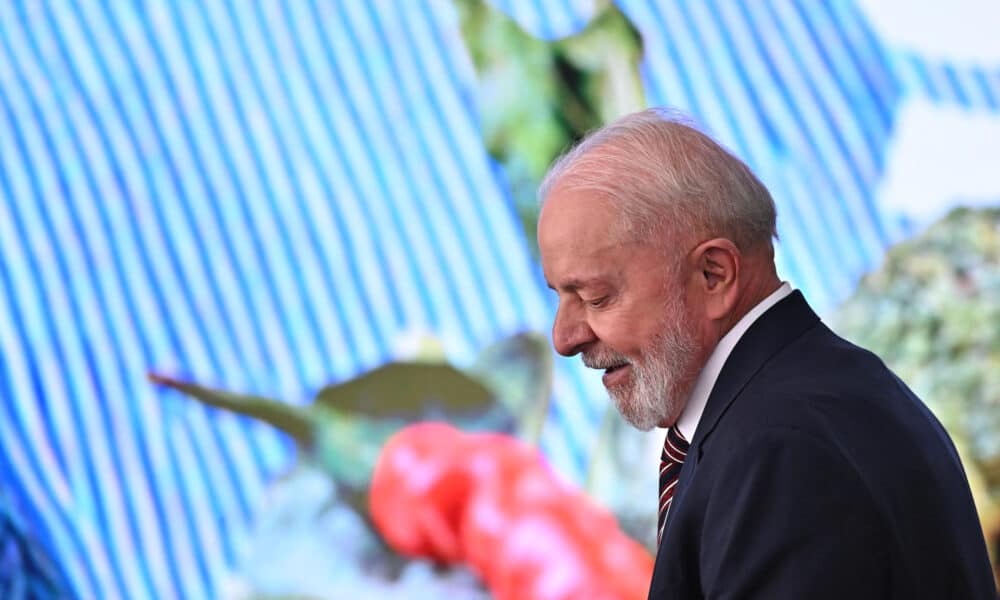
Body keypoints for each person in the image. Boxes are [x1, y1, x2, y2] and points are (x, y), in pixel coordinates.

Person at [536, 107, 995, 599]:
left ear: (714, 275)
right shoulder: (823, 393)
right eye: (559, 297)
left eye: (596, 298)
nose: (564, 338)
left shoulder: (779, 450)